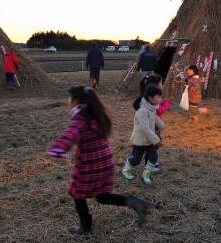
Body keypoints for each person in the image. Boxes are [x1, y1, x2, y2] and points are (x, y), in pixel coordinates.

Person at [47, 86, 150, 235]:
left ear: (76, 102)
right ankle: (135, 202)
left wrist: (58, 148)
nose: (68, 102)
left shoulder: (81, 120)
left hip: (91, 166)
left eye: (69, 99)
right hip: (106, 164)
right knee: (102, 196)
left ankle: (85, 227)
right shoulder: (97, 115)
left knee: (77, 193)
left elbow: (70, 135)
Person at [122, 85, 165, 185]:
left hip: (149, 141)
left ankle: (146, 173)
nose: (160, 99)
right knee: (136, 160)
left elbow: (155, 118)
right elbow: (145, 129)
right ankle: (126, 169)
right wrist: (157, 140)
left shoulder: (151, 108)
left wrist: (162, 126)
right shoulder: (142, 111)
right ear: (150, 98)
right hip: (140, 140)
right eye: (158, 97)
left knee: (154, 157)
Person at [133, 74, 172, 167]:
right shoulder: (148, 105)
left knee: (151, 147)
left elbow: (157, 110)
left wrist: (162, 126)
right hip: (151, 127)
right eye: (161, 83)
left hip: (154, 126)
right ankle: (139, 162)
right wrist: (168, 104)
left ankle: (150, 163)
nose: (162, 85)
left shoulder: (151, 99)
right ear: (155, 85)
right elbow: (158, 112)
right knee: (148, 146)